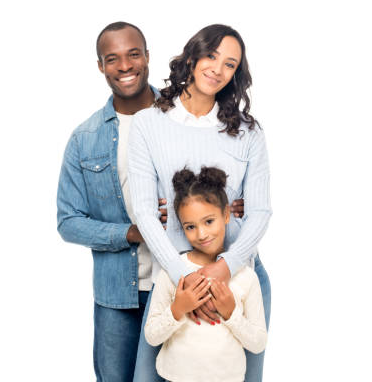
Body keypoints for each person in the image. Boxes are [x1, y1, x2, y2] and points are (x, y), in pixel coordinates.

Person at [56, 22, 245, 381]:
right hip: (119, 293)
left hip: (185, 278)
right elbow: (68, 221)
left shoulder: (182, 116)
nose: (125, 66)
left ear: (147, 57)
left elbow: (221, 171)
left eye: (134, 54)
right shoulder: (85, 138)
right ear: (100, 66)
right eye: (112, 59)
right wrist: (131, 232)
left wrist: (235, 206)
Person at [128, 24, 271, 382]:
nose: (217, 69)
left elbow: (260, 211)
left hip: (239, 277)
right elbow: (145, 211)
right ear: (192, 56)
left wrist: (224, 268)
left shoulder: (248, 132)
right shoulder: (148, 124)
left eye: (230, 64)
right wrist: (187, 278)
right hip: (175, 280)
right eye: (212, 55)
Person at [144, 166, 267, 382]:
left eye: (209, 221)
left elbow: (258, 343)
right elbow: (152, 336)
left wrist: (231, 314)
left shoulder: (246, 277)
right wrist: (177, 309)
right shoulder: (173, 273)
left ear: (227, 214)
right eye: (190, 226)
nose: (201, 234)